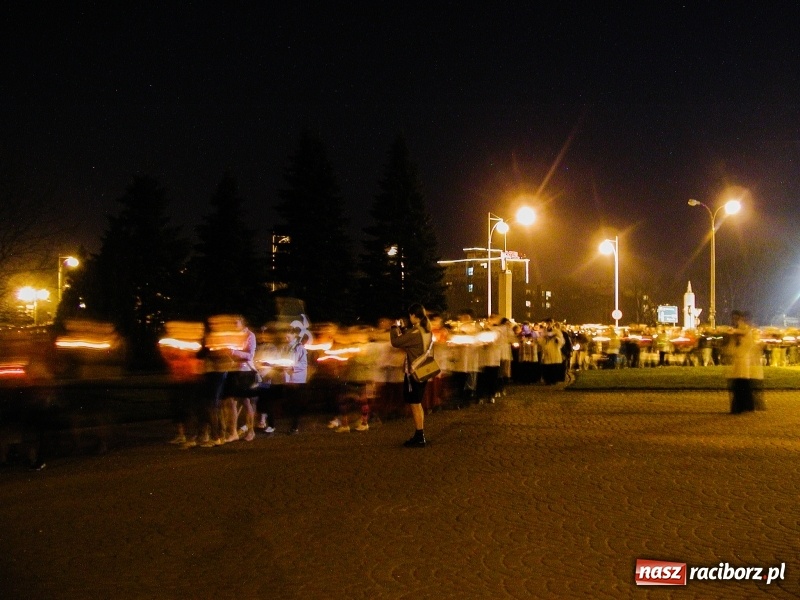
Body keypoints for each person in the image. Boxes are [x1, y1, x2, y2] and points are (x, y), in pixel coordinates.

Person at [390, 303, 432, 448]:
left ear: (414, 315)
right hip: (424, 369)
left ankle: (420, 436)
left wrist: (394, 327)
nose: (409, 318)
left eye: (410, 315)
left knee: (414, 404)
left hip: (414, 372)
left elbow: (396, 342)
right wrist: (403, 330)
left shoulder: (415, 333)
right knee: (417, 403)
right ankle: (420, 433)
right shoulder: (426, 330)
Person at [727, 310, 757, 414]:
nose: (734, 320)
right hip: (739, 359)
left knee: (742, 383)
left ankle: (741, 407)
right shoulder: (739, 329)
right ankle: (744, 406)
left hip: (743, 359)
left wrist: (734, 333)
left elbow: (744, 335)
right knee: (741, 383)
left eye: (736, 318)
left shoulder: (743, 329)